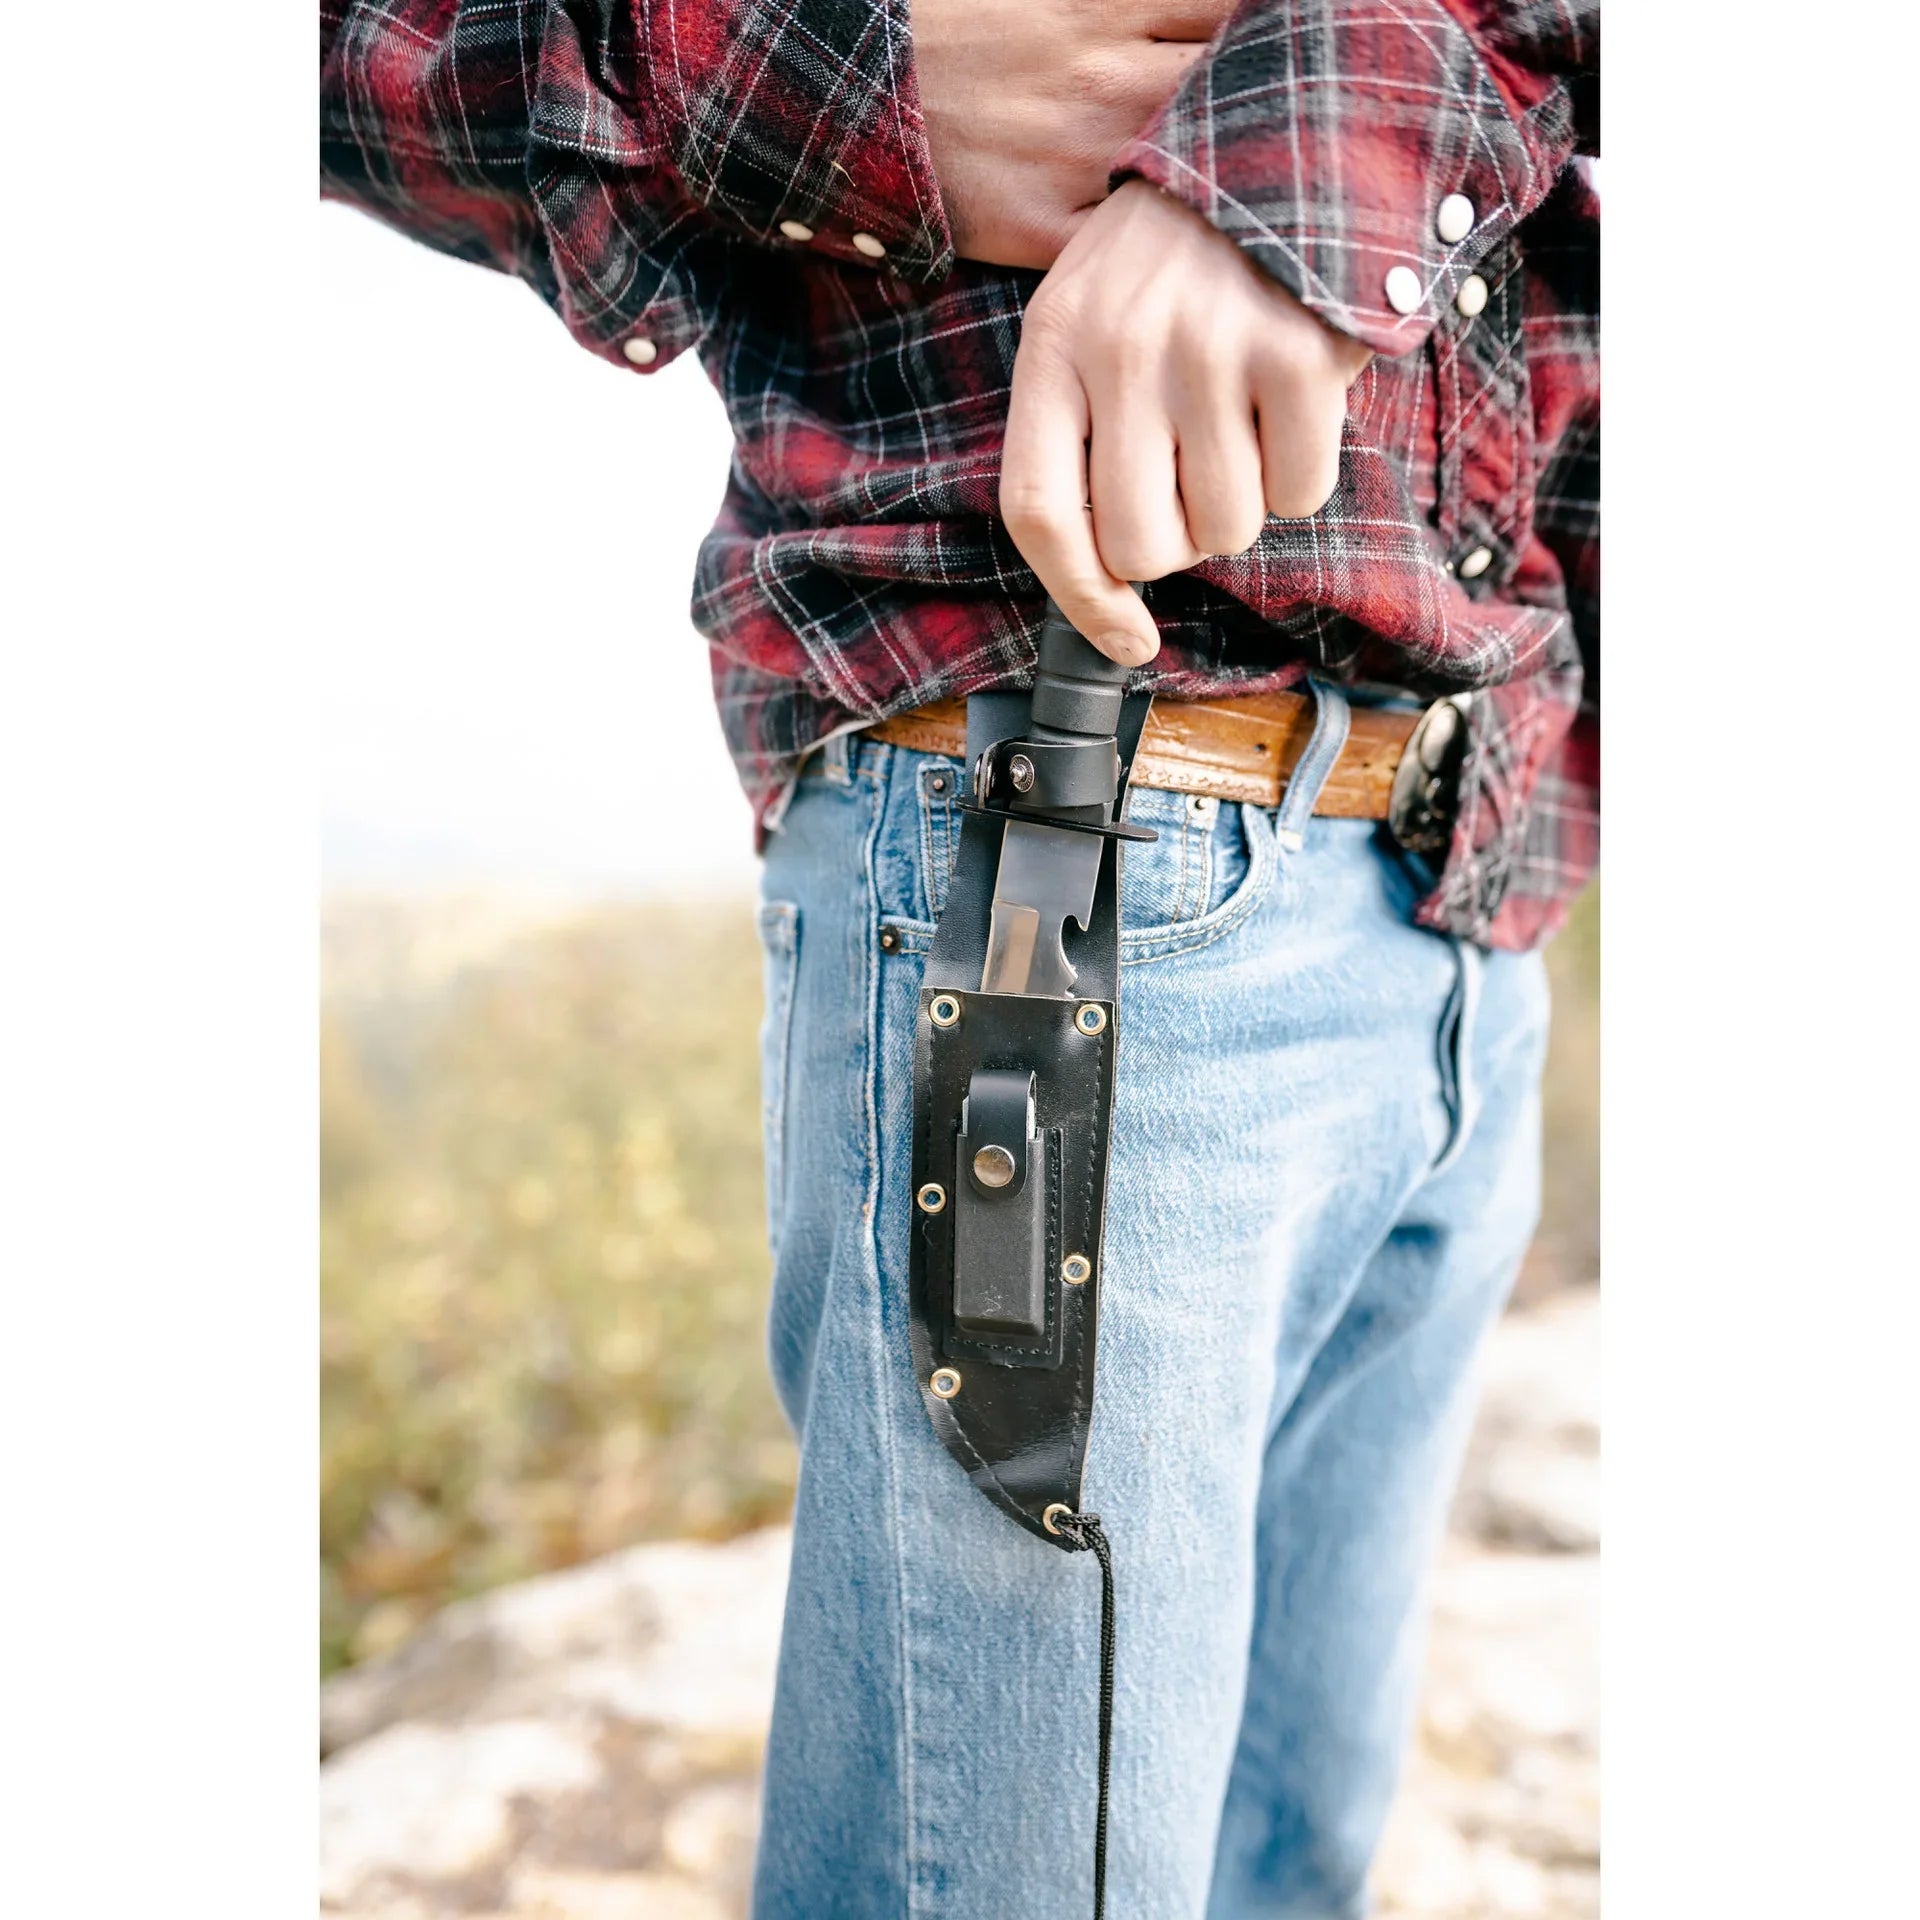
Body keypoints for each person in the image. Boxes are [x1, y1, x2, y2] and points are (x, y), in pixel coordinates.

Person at [321, 0, 1598, 1912]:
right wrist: (834, 67)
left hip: (1475, 865)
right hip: (1076, 875)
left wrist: (1321, 118)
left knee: (1290, 1865)